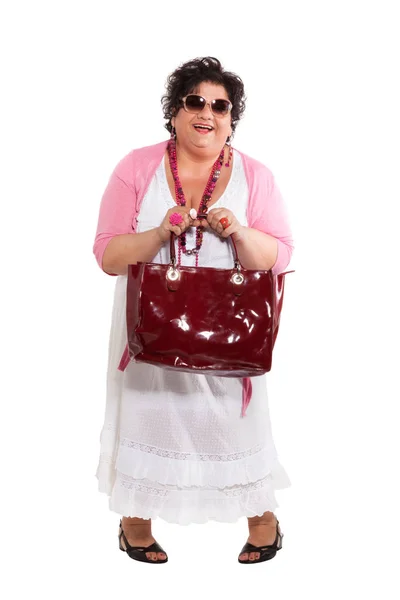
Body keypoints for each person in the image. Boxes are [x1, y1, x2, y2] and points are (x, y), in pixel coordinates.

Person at [93, 56, 294, 565]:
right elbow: (108, 256)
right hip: (151, 328)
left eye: (220, 106)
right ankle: (135, 520)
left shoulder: (256, 175)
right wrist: (161, 231)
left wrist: (239, 231)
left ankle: (263, 518)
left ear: (231, 119)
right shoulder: (136, 166)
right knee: (148, 417)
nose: (208, 113)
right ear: (176, 111)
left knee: (234, 425)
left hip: (229, 330)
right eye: (196, 101)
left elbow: (281, 256)